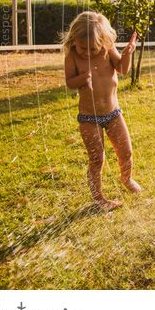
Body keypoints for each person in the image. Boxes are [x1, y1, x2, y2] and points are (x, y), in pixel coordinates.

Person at [62, 11, 141, 210]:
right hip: (89, 118)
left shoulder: (107, 49)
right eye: (82, 47)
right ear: (74, 40)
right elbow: (70, 82)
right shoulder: (72, 56)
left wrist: (127, 54)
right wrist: (83, 79)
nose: (87, 52)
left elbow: (122, 69)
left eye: (92, 47)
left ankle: (127, 179)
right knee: (97, 158)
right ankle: (98, 198)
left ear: (101, 40)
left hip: (113, 113)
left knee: (126, 151)